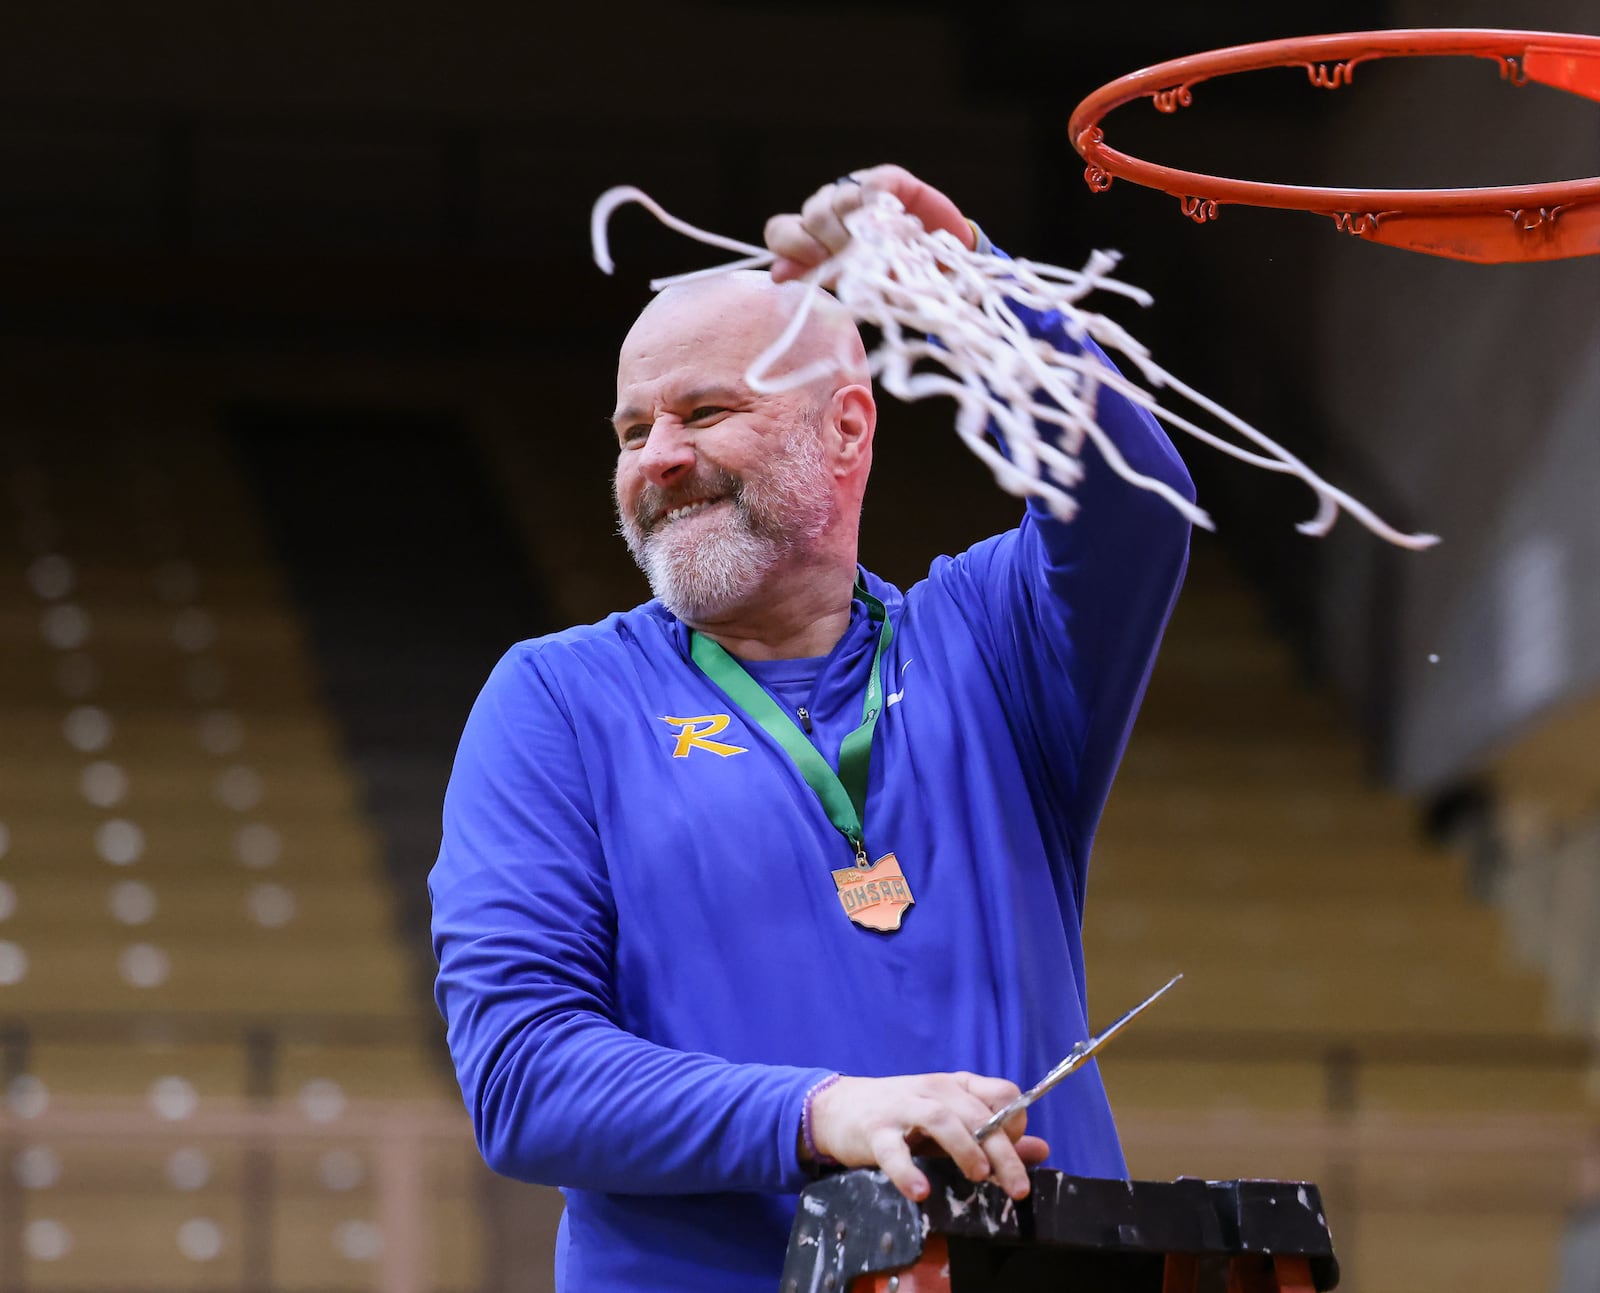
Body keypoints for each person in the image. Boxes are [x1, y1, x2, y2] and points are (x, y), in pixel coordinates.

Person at [429, 164, 1195, 1293]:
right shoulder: (556, 699)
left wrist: (967, 282)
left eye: (705, 412)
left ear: (844, 430)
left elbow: (1131, 501)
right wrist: (819, 1112)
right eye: (631, 428)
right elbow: (523, 1079)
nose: (657, 459)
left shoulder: (988, 644)